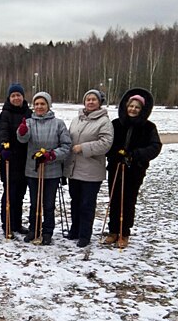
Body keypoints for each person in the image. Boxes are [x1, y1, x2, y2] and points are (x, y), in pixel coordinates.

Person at [104, 88, 162, 248]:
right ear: (126, 106)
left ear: (142, 109)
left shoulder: (149, 127)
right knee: (114, 199)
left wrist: (134, 155)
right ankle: (113, 231)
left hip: (134, 169)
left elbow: (155, 147)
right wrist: (115, 153)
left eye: (137, 107)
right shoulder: (116, 124)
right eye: (131, 106)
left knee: (128, 200)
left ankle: (124, 233)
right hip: (116, 167)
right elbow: (108, 143)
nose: (133, 109)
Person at [17, 92, 71, 245]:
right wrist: (21, 131)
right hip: (33, 170)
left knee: (48, 204)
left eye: (42, 104)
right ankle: (34, 229)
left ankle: (47, 231)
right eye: (37, 104)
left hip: (52, 170)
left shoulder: (58, 123)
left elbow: (67, 146)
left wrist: (52, 155)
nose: (39, 107)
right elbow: (22, 139)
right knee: (35, 203)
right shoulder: (28, 122)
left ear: (48, 105)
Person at [64, 89, 114, 247]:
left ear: (99, 103)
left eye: (94, 99)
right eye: (88, 99)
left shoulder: (104, 121)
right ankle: (75, 230)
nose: (90, 102)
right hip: (74, 169)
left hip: (91, 171)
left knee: (87, 204)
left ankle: (85, 235)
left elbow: (106, 143)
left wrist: (84, 148)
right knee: (75, 201)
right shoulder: (76, 119)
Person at [0, 83, 32, 237]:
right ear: (9, 98)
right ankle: (7, 224)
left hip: (25, 159)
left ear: (23, 97)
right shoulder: (5, 113)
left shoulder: (29, 112)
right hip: (10, 159)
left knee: (20, 194)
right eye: (13, 96)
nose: (16, 98)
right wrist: (4, 147)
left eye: (18, 95)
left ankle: (17, 223)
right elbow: (3, 131)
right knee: (10, 193)